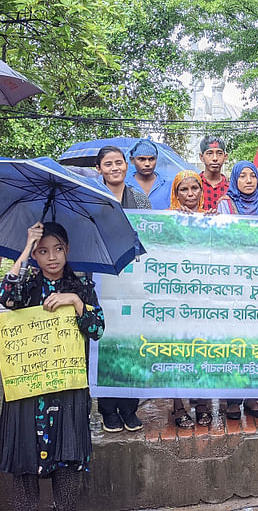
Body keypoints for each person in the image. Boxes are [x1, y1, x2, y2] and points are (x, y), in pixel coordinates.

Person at [0, 221, 104, 511]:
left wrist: (77, 302)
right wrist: (26, 246)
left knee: (67, 471)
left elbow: (97, 329)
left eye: (58, 249)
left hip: (67, 391)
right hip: (28, 392)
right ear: (35, 256)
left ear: (67, 251)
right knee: (25, 471)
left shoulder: (82, 287)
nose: (51, 257)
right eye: (43, 251)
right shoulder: (27, 286)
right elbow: (4, 296)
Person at [95, 146, 149, 432]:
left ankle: (130, 407)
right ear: (99, 169)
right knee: (106, 341)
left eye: (119, 163)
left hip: (133, 276)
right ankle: (108, 409)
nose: (114, 168)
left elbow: (152, 232)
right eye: (108, 164)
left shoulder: (139, 198)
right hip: (102, 277)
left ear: (126, 166)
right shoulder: (92, 196)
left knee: (131, 341)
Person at [217, 161, 258, 420]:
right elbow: (221, 239)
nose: (249, 180)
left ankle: (253, 397)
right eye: (243, 176)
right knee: (234, 341)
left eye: (253, 176)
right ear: (235, 180)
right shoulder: (225, 204)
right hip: (233, 281)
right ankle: (232, 399)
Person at [168, 170, 214, 427]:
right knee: (177, 350)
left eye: (194, 189)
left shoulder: (212, 218)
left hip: (205, 298)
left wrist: (215, 225)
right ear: (176, 194)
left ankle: (203, 404)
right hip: (177, 296)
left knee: (203, 349)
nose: (189, 195)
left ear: (201, 191)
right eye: (183, 190)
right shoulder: (167, 218)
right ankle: (177, 406)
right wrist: (174, 222)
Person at [125, 139, 172, 209]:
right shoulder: (124, 185)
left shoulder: (168, 185)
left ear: (156, 159)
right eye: (141, 159)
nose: (147, 164)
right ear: (132, 160)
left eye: (151, 159)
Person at [199, 136, 229, 211]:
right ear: (201, 157)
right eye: (209, 153)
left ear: (225, 157)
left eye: (219, 153)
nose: (215, 158)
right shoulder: (193, 185)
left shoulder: (231, 188)